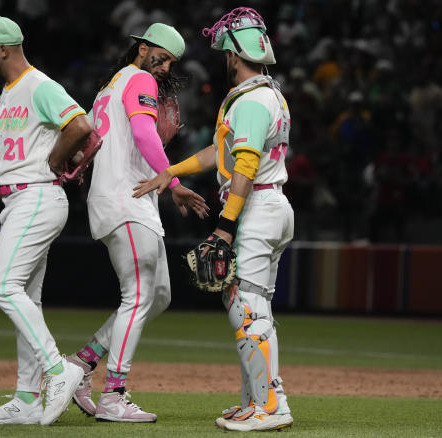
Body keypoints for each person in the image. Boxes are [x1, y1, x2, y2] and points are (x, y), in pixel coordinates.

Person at [134, 7, 294, 432]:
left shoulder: (252, 100)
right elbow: (219, 155)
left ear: (233, 54)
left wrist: (225, 226)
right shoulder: (262, 94)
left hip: (257, 205)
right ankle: (255, 400)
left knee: (248, 307)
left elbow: (244, 165)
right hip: (268, 204)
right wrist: (172, 170)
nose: (222, 57)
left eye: (225, 51)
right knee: (248, 304)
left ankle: (272, 406)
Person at [66, 23, 208, 423]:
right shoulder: (139, 78)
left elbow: (94, 145)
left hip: (130, 198)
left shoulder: (110, 87)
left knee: (157, 294)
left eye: (170, 63)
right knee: (140, 294)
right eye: (160, 57)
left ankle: (82, 362)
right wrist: (175, 183)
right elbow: (145, 133)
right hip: (126, 198)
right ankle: (113, 393)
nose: (163, 67)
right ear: (143, 48)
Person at [0, 16, 91, 426]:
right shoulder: (7, 95)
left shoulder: (39, 85)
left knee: (1, 285)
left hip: (38, 197)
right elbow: (13, 162)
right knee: (26, 300)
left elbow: (82, 125)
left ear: (3, 48)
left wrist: (55, 160)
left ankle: (58, 369)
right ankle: (26, 398)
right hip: (18, 197)